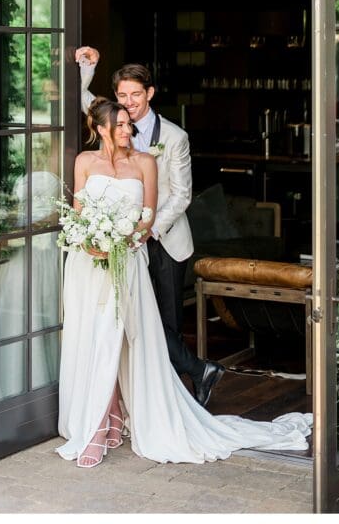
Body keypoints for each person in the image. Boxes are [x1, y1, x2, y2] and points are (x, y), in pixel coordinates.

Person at [56, 97, 312, 467]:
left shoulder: (145, 163)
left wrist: (123, 240)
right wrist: (90, 242)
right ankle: (106, 422)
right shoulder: (84, 161)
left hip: (126, 263)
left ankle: (98, 432)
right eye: (122, 125)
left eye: (130, 124)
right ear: (100, 130)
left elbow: (147, 218)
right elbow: (79, 213)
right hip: (87, 267)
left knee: (118, 341)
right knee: (92, 341)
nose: (130, 130)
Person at [75, 46, 223, 407]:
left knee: (166, 321)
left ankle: (169, 399)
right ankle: (197, 372)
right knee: (136, 317)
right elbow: (85, 101)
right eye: (123, 95)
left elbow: (183, 195)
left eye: (136, 95)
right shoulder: (112, 123)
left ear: (150, 94)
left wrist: (147, 229)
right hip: (122, 241)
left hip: (165, 240)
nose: (130, 102)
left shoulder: (174, 137)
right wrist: (86, 67)